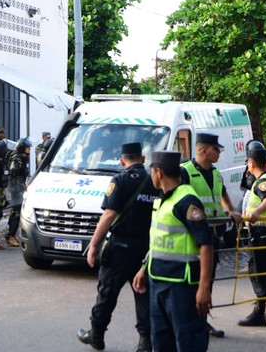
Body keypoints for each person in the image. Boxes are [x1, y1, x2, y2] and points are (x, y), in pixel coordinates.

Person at [77, 143, 158, 352]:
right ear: (142, 159)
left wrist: (94, 244)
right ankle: (145, 342)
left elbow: (109, 214)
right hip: (145, 248)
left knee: (107, 292)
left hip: (120, 248)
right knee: (143, 294)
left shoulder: (120, 180)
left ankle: (97, 335)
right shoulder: (153, 182)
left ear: (122, 161)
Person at [132, 151, 213, 352]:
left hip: (181, 287)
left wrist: (204, 288)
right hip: (157, 281)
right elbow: (158, 242)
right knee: (160, 341)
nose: (150, 176)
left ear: (158, 172)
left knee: (188, 341)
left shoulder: (186, 201)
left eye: (151, 171)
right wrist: (144, 268)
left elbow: (206, 244)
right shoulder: (161, 200)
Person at [180, 132, 242, 337]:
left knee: (208, 281)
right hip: (193, 238)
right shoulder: (186, 172)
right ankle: (189, 324)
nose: (219, 152)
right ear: (202, 150)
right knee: (192, 283)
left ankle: (202, 322)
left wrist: (231, 210)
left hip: (213, 235)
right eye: (216, 149)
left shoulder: (215, 173)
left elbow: (222, 192)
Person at [238, 147, 266, 327]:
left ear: (251, 163)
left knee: (258, 271)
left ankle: (260, 311)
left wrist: (254, 213)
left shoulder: (264, 181)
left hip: (262, 232)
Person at [5, 137, 32, 247]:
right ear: (22, 148)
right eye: (27, 148)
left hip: (20, 189)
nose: (29, 149)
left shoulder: (24, 159)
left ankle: (12, 235)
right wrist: (19, 186)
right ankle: (10, 235)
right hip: (15, 190)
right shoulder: (17, 160)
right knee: (15, 213)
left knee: (18, 212)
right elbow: (13, 175)